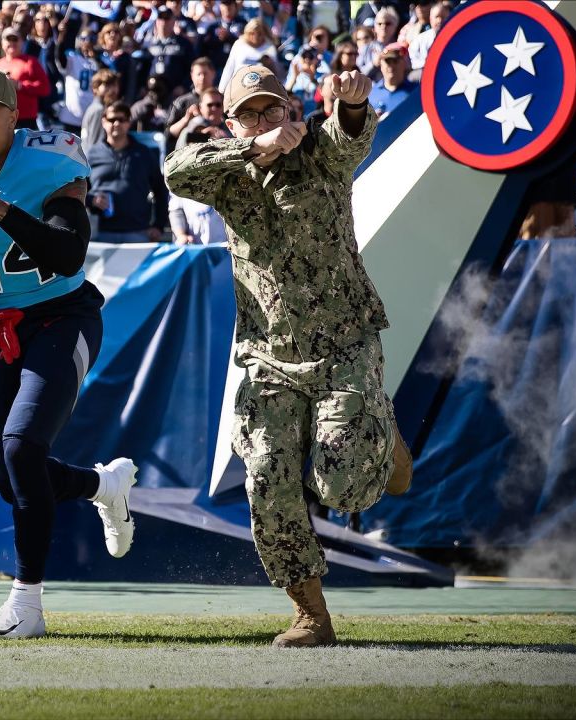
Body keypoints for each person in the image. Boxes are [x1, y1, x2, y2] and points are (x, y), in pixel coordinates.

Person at [165, 64, 413, 648]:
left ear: (291, 109)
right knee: (266, 481)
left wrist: (351, 104)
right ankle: (311, 615)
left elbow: (352, 133)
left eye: (271, 109)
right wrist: (253, 148)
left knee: (343, 488)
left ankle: (385, 444)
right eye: (248, 113)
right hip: (269, 356)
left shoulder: (321, 155)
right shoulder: (228, 173)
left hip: (344, 345)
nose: (263, 119)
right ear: (231, 122)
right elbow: (177, 171)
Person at [0, 67, 137, 638]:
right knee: (10, 475)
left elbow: (67, 255)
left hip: (64, 315)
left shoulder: (49, 159)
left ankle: (27, 605)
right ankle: (101, 486)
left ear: (15, 118)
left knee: (20, 446)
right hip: (3, 325)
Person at [87, 101, 169, 243]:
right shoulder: (91, 155)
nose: (116, 124)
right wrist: (92, 200)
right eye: (112, 119)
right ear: (103, 121)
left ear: (128, 122)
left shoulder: (145, 154)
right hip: (99, 233)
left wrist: (159, 225)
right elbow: (78, 192)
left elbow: (161, 191)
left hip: (137, 232)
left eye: (121, 119)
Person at [0, 26, 49, 130]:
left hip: (26, 121)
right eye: (8, 39)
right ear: (2, 43)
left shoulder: (31, 62)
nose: (12, 43)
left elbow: (45, 88)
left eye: (15, 39)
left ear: (22, 42)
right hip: (2, 119)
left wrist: (20, 85)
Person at [367, 42, 416, 119]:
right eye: (387, 61)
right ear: (381, 65)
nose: (391, 66)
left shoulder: (415, 91)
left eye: (395, 61)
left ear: (404, 63)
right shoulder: (370, 94)